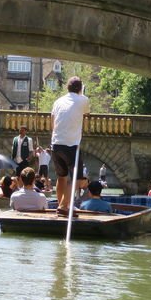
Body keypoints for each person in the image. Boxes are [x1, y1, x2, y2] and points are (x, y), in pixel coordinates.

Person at [50, 76, 91, 215]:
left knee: (61, 176)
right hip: (71, 145)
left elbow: (52, 121)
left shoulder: (58, 101)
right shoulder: (83, 99)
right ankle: (63, 206)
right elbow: (87, 113)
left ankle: (61, 205)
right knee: (76, 178)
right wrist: (82, 94)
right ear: (80, 89)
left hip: (56, 143)